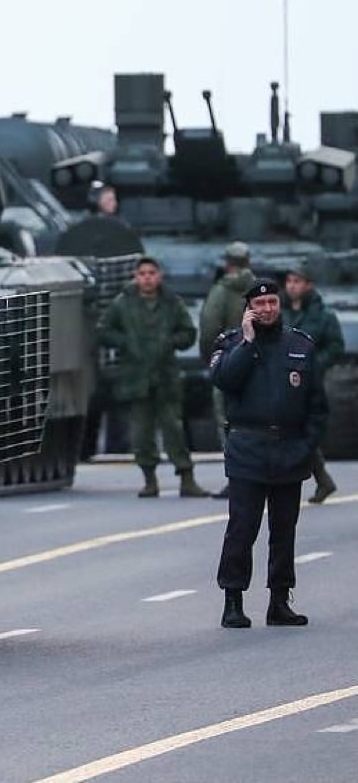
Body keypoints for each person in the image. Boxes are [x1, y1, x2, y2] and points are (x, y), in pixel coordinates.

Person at [210, 279, 327, 628]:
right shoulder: (231, 344)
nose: (266, 309)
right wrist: (246, 343)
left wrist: (307, 447)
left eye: (272, 302)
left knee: (283, 530)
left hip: (289, 449)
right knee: (242, 528)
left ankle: (280, 599)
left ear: (280, 305)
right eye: (259, 304)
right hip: (248, 447)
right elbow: (224, 380)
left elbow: (317, 405)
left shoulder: (300, 345)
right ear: (248, 308)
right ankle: (233, 599)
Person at [97, 256, 210, 497]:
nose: (147, 278)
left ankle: (186, 477)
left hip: (165, 374)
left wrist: (171, 342)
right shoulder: (123, 303)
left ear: (159, 277)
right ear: (136, 278)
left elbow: (188, 332)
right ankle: (150, 479)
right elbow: (104, 330)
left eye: (151, 273)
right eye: (142, 274)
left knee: (174, 429)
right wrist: (125, 343)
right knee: (141, 432)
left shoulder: (171, 303)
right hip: (136, 375)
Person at [281, 264, 344, 504]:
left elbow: (335, 347)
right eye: (289, 281)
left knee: (303, 430)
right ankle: (323, 479)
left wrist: (314, 364)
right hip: (283, 378)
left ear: (309, 285)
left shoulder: (323, 316)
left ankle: (321, 479)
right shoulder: (281, 313)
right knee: (292, 429)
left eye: (297, 281)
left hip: (311, 381)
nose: (292, 286)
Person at [198, 241, 255, 500]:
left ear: (228, 263)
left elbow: (210, 326)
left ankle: (237, 479)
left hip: (229, 360)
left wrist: (211, 358)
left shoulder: (221, 291)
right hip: (258, 361)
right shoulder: (260, 288)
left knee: (227, 421)